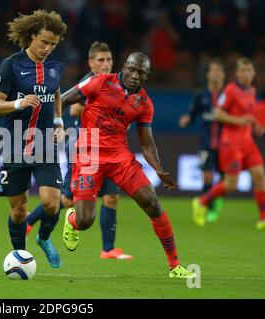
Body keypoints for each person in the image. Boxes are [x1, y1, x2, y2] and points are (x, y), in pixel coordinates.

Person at [59, 52, 196, 278]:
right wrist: (56, 124)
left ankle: (174, 266)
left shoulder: (144, 103)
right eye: (131, 69)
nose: (134, 75)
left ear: (147, 76)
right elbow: (63, 99)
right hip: (88, 154)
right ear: (125, 66)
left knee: (153, 204)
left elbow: (147, 144)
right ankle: (72, 220)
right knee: (85, 221)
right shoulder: (100, 82)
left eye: (140, 73)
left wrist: (159, 170)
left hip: (119, 156)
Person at [26, 41, 133, 260]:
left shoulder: (115, 84)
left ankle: (108, 249)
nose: (106, 64)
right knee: (67, 200)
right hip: (86, 148)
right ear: (91, 62)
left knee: (111, 197)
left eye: (109, 60)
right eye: (101, 60)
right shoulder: (89, 81)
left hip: (110, 149)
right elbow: (74, 109)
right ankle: (29, 221)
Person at [0, 10, 67, 268]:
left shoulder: (55, 68)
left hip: (45, 144)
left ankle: (44, 238)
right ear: (32, 36)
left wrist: (58, 122)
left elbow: (55, 93)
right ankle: (21, 258)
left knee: (52, 204)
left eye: (53, 44)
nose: (48, 48)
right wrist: (20, 102)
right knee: (19, 210)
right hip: (13, 144)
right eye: (44, 42)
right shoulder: (11, 65)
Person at [192, 58, 265, 230]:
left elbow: (249, 115)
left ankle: (264, 219)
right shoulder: (230, 90)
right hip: (231, 143)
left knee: (260, 176)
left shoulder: (252, 91)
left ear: (254, 73)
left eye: (249, 71)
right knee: (231, 184)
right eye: (243, 71)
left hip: (248, 142)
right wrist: (239, 120)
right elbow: (217, 114)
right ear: (237, 73)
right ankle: (201, 201)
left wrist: (255, 125)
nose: (246, 74)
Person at [179, 59, 225, 224]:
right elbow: (193, 113)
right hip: (206, 143)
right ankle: (205, 208)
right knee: (207, 176)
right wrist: (187, 119)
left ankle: (215, 205)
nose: (216, 74)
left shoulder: (228, 95)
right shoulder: (201, 95)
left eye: (219, 71)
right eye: (213, 70)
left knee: (225, 180)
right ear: (207, 75)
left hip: (225, 144)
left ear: (224, 75)